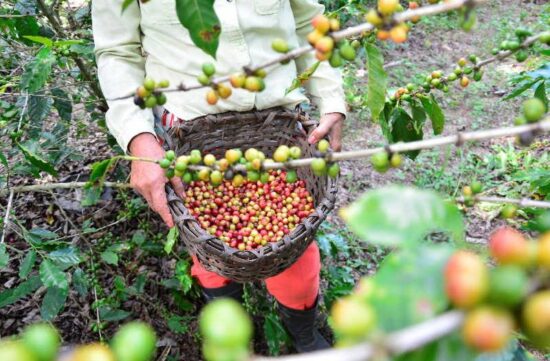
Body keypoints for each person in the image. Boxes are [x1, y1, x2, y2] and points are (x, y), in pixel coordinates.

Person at [92, 0, 346, 352]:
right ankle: (228, 324)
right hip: (189, 134)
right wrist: (139, 138)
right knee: (208, 245)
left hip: (279, 127)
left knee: (297, 250)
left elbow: (308, 19)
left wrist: (331, 95)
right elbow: (118, 52)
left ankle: (302, 331)